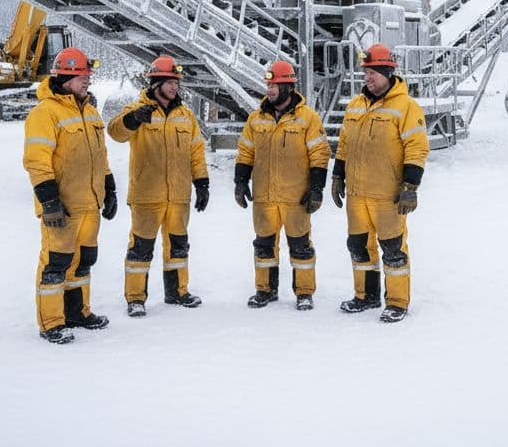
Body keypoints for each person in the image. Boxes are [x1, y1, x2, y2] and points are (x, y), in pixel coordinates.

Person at [23, 47, 118, 344]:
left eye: (88, 76)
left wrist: (110, 188)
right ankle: (51, 322)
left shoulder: (90, 111)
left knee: (84, 261)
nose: (88, 81)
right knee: (56, 263)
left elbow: (100, 156)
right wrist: (49, 200)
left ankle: (77, 312)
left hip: (90, 203)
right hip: (61, 207)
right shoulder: (45, 113)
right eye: (83, 77)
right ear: (66, 78)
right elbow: (37, 159)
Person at [331, 43, 428, 324]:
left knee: (393, 249)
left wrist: (410, 187)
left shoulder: (406, 107)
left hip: (389, 196)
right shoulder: (355, 105)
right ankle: (366, 296)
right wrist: (337, 176)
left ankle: (397, 302)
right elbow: (344, 145)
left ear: (388, 72)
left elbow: (417, 148)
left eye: (372, 72)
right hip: (357, 194)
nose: (367, 77)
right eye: (365, 73)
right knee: (358, 246)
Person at [108, 54, 210, 317]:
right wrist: (133, 120)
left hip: (178, 196)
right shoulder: (137, 110)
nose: (175, 87)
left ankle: (177, 292)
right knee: (141, 249)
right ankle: (135, 298)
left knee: (178, 246)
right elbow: (115, 132)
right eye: (169, 82)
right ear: (155, 83)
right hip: (147, 195)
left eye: (176, 82)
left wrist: (202, 183)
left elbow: (196, 150)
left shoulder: (185, 115)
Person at [234, 60, 330, 310]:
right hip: (264, 197)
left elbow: (319, 153)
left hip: (296, 196)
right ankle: (265, 290)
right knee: (263, 244)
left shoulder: (307, 118)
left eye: (275, 84)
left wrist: (317, 187)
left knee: (300, 246)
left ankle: (304, 292)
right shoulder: (256, 118)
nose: (270, 89)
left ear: (288, 86)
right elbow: (246, 151)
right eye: (268, 84)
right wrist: (240, 181)